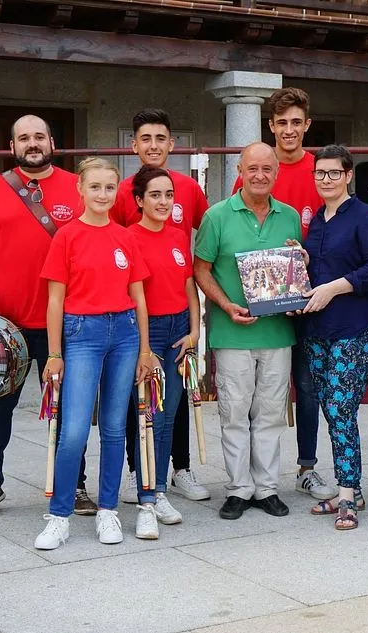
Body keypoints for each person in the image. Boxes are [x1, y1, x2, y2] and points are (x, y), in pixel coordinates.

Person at [0, 114, 97, 520]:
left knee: (68, 408)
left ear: (52, 143)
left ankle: (72, 483)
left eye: (39, 136)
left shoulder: (77, 188)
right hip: (4, 325)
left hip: (66, 321)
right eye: (24, 138)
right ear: (12, 147)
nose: (32, 143)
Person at [34, 158, 155, 550]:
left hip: (123, 332)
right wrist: (55, 353)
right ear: (81, 191)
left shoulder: (126, 237)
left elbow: (139, 297)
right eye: (95, 187)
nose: (102, 194)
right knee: (72, 431)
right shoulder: (66, 237)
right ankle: (59, 515)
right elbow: (55, 301)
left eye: (109, 188)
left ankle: (107, 511)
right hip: (81, 333)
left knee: (115, 427)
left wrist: (145, 349)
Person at [231, 88, 333, 501]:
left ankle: (306, 467)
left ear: (307, 125)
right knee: (259, 395)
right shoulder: (253, 172)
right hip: (264, 300)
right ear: (270, 126)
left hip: (311, 297)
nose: (289, 130)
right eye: (281, 123)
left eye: (296, 122)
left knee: (306, 387)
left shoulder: (320, 169)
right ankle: (252, 479)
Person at [194, 143, 300, 520]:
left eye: (266, 169)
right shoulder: (217, 216)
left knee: (271, 414)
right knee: (234, 413)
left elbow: (295, 271)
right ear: (240, 169)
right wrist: (225, 305)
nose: (259, 175)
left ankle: (267, 487)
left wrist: (298, 270)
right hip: (232, 333)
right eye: (252, 168)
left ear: (277, 172)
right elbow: (201, 269)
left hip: (277, 334)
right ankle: (239, 488)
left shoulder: (289, 217)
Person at [112, 108, 211, 503]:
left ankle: (178, 469)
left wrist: (197, 322)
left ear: (172, 144)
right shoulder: (121, 193)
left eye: (160, 139)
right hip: (142, 321)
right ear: (134, 145)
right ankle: (142, 476)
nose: (153, 146)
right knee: (140, 405)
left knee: (176, 400)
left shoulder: (186, 188)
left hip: (178, 320)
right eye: (145, 139)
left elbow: (205, 240)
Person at [300, 145, 368, 530]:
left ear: (348, 175)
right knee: (332, 410)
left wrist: (334, 287)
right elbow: (318, 269)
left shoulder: (367, 218)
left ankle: (348, 494)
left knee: (340, 409)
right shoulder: (317, 220)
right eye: (320, 173)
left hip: (354, 329)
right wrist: (300, 262)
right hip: (317, 330)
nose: (326, 180)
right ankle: (348, 487)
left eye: (334, 173)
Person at [126, 166, 202, 539]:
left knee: (169, 414)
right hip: (148, 332)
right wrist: (144, 347)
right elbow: (133, 297)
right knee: (148, 418)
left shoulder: (176, 236)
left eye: (168, 195)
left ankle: (159, 490)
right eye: (155, 195)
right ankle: (148, 495)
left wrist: (194, 330)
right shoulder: (129, 238)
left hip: (178, 331)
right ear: (139, 200)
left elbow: (189, 286)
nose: (163, 202)